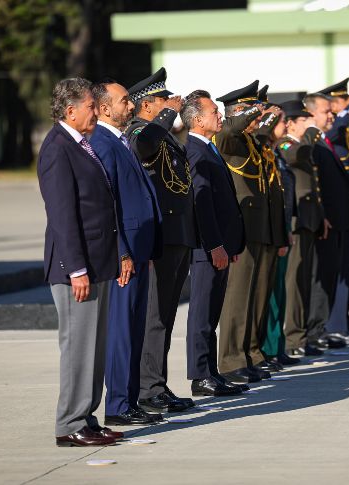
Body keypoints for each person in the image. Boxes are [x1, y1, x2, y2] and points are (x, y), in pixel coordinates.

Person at [37, 77, 122, 447]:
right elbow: (62, 214)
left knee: (94, 347)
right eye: (91, 105)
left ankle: (87, 417)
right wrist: (76, 269)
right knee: (77, 348)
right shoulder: (57, 147)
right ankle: (69, 423)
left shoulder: (80, 144)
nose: (95, 110)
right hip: (75, 268)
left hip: (95, 261)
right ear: (70, 111)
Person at [89, 80, 164, 427]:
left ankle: (130, 400)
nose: (131, 107)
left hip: (140, 247)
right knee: (121, 331)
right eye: (123, 102)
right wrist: (121, 253)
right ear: (105, 108)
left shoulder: (119, 139)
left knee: (135, 328)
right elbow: (107, 204)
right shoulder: (102, 143)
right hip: (125, 253)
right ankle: (118, 405)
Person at [124, 68, 197, 414]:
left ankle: (158, 383)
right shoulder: (140, 130)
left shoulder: (164, 134)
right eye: (166, 101)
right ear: (148, 104)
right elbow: (144, 145)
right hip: (162, 236)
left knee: (165, 315)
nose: (173, 105)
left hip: (178, 234)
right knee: (155, 315)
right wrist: (168, 116)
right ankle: (147, 388)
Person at [181, 90, 246, 396]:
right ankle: (200, 374)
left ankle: (211, 372)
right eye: (214, 112)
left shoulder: (209, 147)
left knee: (212, 311)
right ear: (197, 120)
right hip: (208, 248)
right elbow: (201, 204)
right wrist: (215, 244)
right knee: (202, 312)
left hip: (219, 245)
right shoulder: (195, 150)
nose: (220, 116)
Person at [214, 80, 280, 384]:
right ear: (238, 112)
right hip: (241, 229)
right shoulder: (229, 139)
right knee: (237, 298)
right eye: (250, 113)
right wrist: (256, 110)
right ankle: (230, 361)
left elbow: (264, 130)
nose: (256, 119)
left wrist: (267, 114)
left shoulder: (251, 141)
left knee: (253, 296)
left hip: (257, 227)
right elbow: (229, 129)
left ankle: (249, 353)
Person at [299, 92, 349, 354]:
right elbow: (314, 185)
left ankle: (321, 329)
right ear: (310, 115)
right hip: (324, 222)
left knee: (328, 277)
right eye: (326, 111)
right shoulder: (311, 143)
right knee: (317, 279)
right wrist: (323, 215)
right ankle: (313, 331)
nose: (331, 115)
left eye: (332, 112)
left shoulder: (323, 141)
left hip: (335, 221)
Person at [317, 78, 349, 345]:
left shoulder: (347, 132)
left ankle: (342, 322)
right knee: (337, 270)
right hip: (338, 211)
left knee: (348, 269)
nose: (344, 104)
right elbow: (334, 132)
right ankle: (334, 324)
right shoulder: (334, 129)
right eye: (340, 101)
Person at [276, 99, 328, 358]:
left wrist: (321, 216)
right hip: (296, 222)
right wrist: (311, 132)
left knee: (306, 279)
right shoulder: (287, 144)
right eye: (305, 121)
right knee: (294, 282)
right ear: (292, 123)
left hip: (310, 219)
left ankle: (303, 334)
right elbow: (297, 156)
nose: (310, 125)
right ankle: (293, 338)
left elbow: (313, 184)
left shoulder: (303, 142)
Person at [253, 90, 296, 368]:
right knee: (265, 297)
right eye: (280, 122)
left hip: (279, 229)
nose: (286, 127)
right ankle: (266, 349)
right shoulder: (262, 149)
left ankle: (275, 346)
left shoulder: (273, 152)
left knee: (277, 293)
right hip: (266, 232)